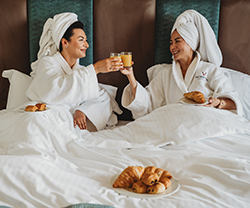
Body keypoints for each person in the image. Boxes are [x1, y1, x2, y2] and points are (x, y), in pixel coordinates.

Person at [120, 10, 243, 119]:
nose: (172, 47)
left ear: (191, 44)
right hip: (175, 123)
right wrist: (130, 75)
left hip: (204, 121)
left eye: (177, 41)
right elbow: (147, 103)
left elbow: (233, 101)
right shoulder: (165, 74)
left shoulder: (210, 70)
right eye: (171, 42)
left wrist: (218, 102)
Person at [26, 12, 123, 131]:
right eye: (81, 40)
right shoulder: (47, 63)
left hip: (70, 124)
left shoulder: (81, 71)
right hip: (47, 119)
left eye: (86, 40)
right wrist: (96, 68)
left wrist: (82, 110)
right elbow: (52, 90)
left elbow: (103, 98)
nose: (86, 45)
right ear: (65, 43)